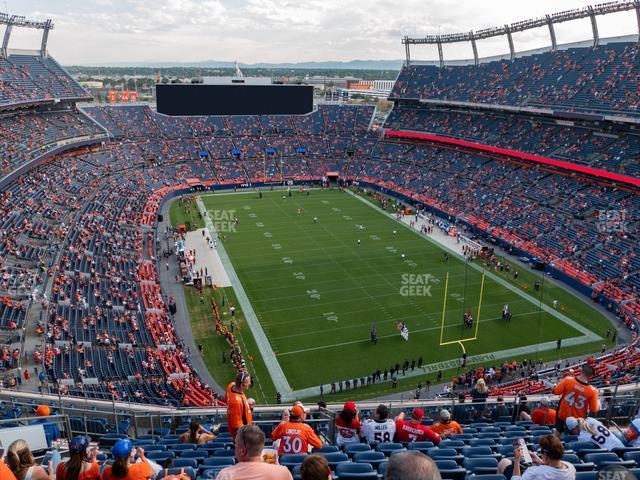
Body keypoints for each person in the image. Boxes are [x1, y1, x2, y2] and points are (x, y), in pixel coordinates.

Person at [216, 425, 292, 480]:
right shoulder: (283, 473)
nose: (234, 448)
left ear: (243, 451)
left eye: (235, 445)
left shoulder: (226, 475)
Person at [497, 435, 575, 480]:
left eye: (541, 452)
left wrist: (517, 460)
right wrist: (541, 461)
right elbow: (554, 467)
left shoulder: (534, 472)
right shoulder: (570, 467)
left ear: (545, 455)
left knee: (504, 462)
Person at [552, 364, 599, 434]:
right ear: (591, 376)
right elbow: (594, 410)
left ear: (581, 371)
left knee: (558, 433)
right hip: (577, 421)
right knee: (574, 438)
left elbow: (555, 391)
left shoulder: (568, 380)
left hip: (562, 415)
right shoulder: (593, 391)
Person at [226, 371, 253, 439]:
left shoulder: (231, 385)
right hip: (242, 435)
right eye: (248, 382)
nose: (249, 383)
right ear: (241, 385)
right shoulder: (237, 403)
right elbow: (238, 426)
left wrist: (246, 404)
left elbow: (226, 398)